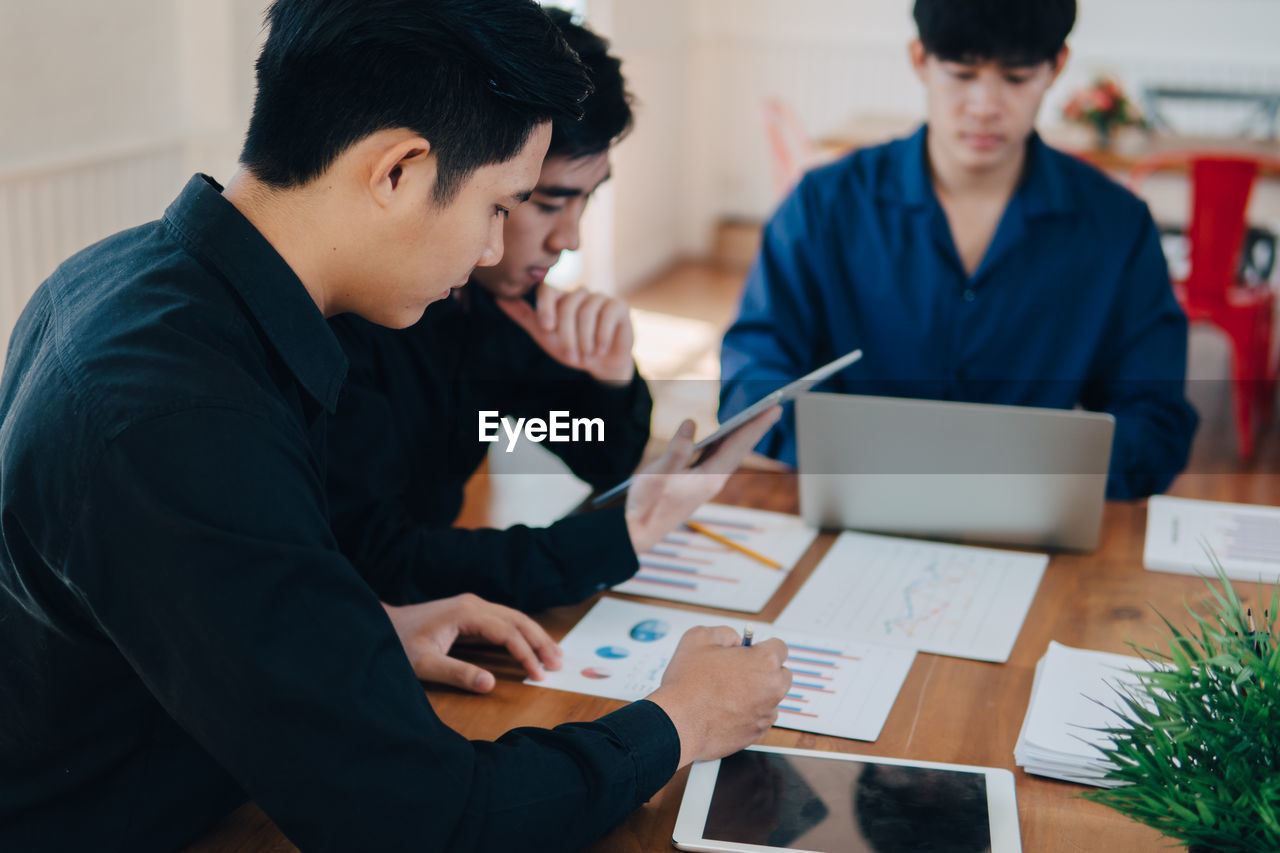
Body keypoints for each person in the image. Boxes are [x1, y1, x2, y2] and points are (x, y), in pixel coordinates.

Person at [0, 2, 792, 852]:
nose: (500, 250)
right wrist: (680, 720)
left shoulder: (126, 276)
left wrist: (356, 628)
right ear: (398, 172)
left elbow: (207, 590)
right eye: (502, 205)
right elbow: (427, 820)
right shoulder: (180, 419)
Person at [719, 0, 1198, 500]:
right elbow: (749, 378)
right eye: (961, 73)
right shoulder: (823, 205)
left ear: (1056, 67)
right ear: (919, 59)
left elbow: (1156, 418)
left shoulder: (1115, 225)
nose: (986, 105)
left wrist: (1048, 466)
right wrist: (848, 448)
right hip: (850, 509)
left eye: (1016, 77)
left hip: (1035, 521)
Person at [327, 10, 652, 619]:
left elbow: (592, 450)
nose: (571, 239)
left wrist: (608, 383)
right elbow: (379, 560)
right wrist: (610, 543)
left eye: (589, 198)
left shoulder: (497, 302)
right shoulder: (351, 324)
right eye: (544, 202)